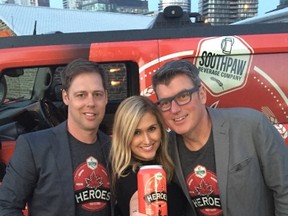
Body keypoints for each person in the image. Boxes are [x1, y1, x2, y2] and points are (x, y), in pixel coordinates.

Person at [151, 59, 288, 215]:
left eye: (183, 96)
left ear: (202, 95)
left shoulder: (252, 126)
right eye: (165, 103)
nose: (174, 109)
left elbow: (284, 189)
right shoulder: (166, 148)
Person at [0, 58, 113, 215]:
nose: (91, 102)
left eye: (97, 94)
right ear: (66, 97)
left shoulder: (115, 149)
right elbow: (5, 207)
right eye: (81, 95)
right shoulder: (34, 147)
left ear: (106, 97)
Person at [110, 95, 187, 216]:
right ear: (124, 136)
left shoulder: (169, 162)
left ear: (161, 129)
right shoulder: (128, 175)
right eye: (136, 132)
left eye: (151, 129)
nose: (146, 140)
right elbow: (137, 199)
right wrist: (137, 211)